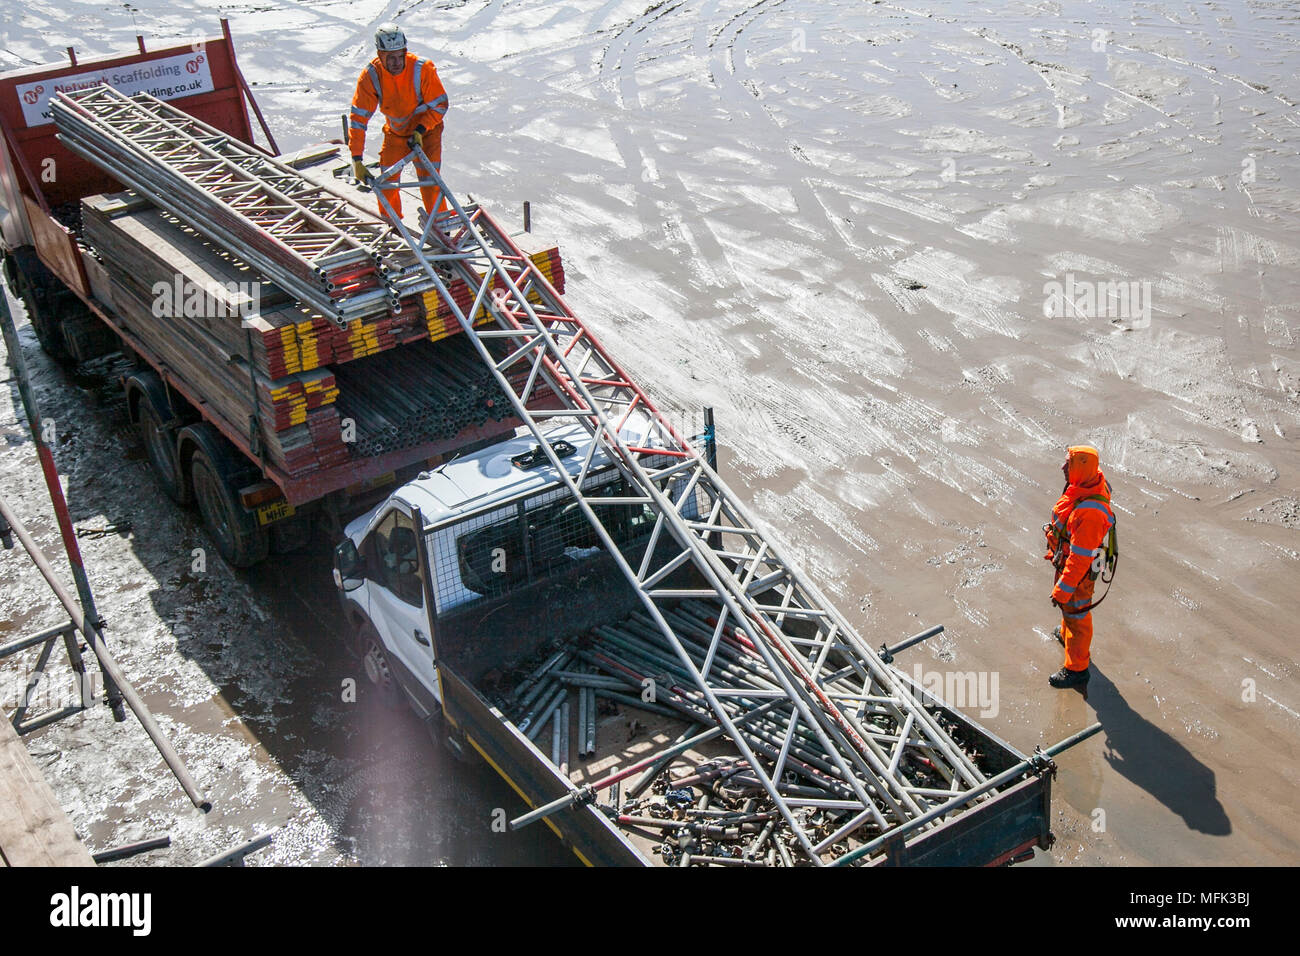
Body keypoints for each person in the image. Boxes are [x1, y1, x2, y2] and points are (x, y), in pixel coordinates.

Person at [348, 23, 449, 220]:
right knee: (387, 182)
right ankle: (393, 224)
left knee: (430, 181)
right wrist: (357, 159)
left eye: (399, 56)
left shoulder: (423, 69)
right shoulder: (371, 76)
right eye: (390, 58)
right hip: (396, 133)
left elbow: (440, 105)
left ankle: (442, 228)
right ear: (379, 54)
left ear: (405, 52)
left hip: (427, 133)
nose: (396, 62)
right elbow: (358, 120)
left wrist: (421, 129)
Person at [1042, 445, 1115, 688]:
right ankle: (1066, 634)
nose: (1063, 468)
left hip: (1078, 573)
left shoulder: (1090, 513)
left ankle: (1077, 669)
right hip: (1067, 564)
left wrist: (1062, 589)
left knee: (1077, 614)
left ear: (1081, 469)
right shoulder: (1090, 482)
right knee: (1070, 612)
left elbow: (1080, 558)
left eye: (1068, 464)